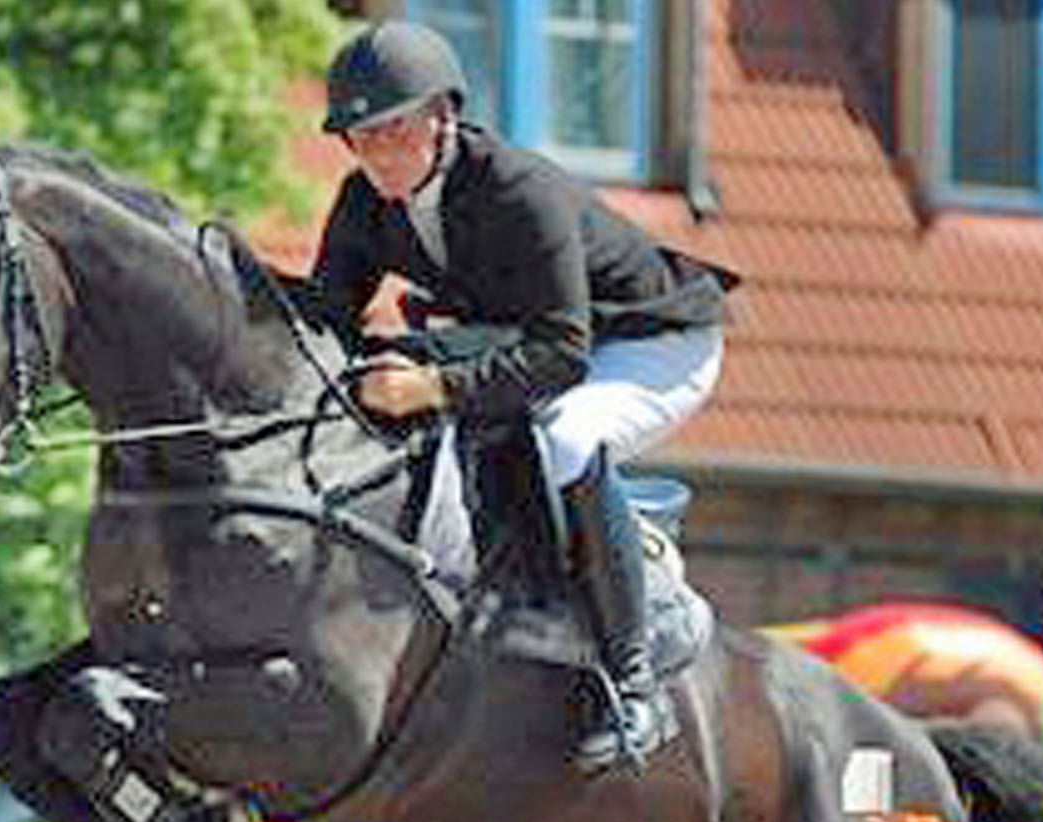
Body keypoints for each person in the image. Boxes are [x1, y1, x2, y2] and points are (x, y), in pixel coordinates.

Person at [294, 20, 739, 773]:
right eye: (360, 138)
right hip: (537, 340)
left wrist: (433, 385)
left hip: (652, 343)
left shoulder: (517, 190)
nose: (377, 155)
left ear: (442, 116)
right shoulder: (364, 202)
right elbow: (326, 318)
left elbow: (561, 354)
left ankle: (634, 679)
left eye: (394, 130)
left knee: (563, 438)